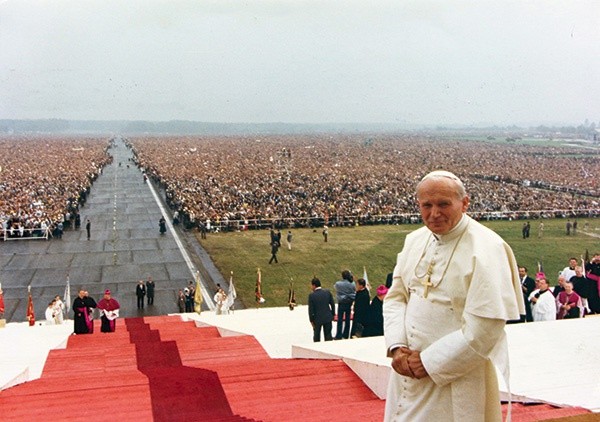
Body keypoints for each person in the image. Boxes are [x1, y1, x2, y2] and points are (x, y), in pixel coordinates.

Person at [383, 170, 523, 421]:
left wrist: (429, 362)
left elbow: (485, 327)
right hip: (405, 372)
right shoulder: (415, 240)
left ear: (465, 203)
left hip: (455, 376)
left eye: (443, 204)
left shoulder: (487, 248)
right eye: (427, 205)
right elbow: (396, 297)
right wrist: (396, 347)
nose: (434, 213)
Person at [308, 277, 335, 342]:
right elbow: (332, 304)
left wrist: (311, 320)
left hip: (317, 319)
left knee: (317, 337)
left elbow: (311, 310)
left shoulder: (312, 296)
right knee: (328, 336)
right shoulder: (327, 292)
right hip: (327, 317)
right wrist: (332, 314)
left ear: (314, 285)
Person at [333, 269, 355, 340]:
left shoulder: (338, 284)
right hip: (349, 302)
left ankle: (339, 335)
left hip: (341, 302)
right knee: (348, 318)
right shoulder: (352, 283)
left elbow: (335, 288)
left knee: (340, 319)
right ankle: (346, 334)